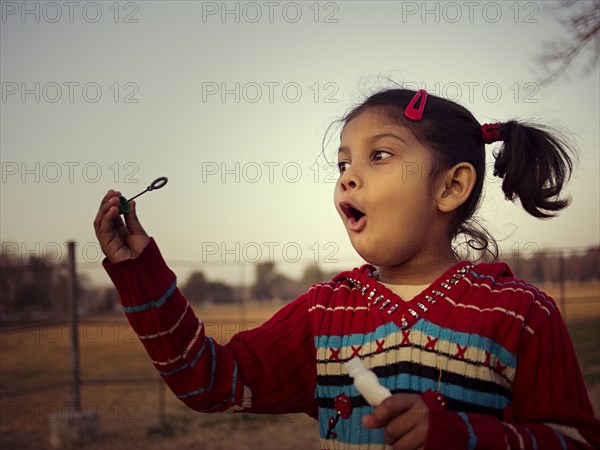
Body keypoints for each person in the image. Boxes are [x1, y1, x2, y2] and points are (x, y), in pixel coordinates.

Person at [94, 88, 600, 449]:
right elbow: (210, 382)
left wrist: (463, 435)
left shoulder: (520, 313)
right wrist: (141, 272)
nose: (348, 178)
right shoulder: (324, 313)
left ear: (451, 187)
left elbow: (574, 440)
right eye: (341, 164)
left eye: (379, 155)